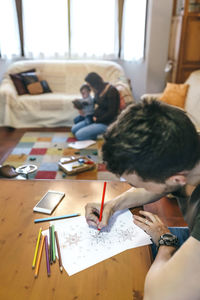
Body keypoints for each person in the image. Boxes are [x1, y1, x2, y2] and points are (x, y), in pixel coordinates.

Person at [85, 99, 200, 300]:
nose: (140, 189)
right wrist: (112, 205)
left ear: (176, 179)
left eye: (142, 185)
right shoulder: (186, 145)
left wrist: (166, 242)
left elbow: (159, 295)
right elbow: (157, 187)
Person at [71, 72, 120, 140]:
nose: (90, 88)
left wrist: (97, 120)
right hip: (95, 119)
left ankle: (103, 135)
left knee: (79, 135)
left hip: (106, 123)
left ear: (95, 83)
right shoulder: (98, 90)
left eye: (90, 85)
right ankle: (94, 131)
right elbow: (92, 102)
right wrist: (79, 105)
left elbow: (112, 113)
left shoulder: (111, 91)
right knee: (73, 130)